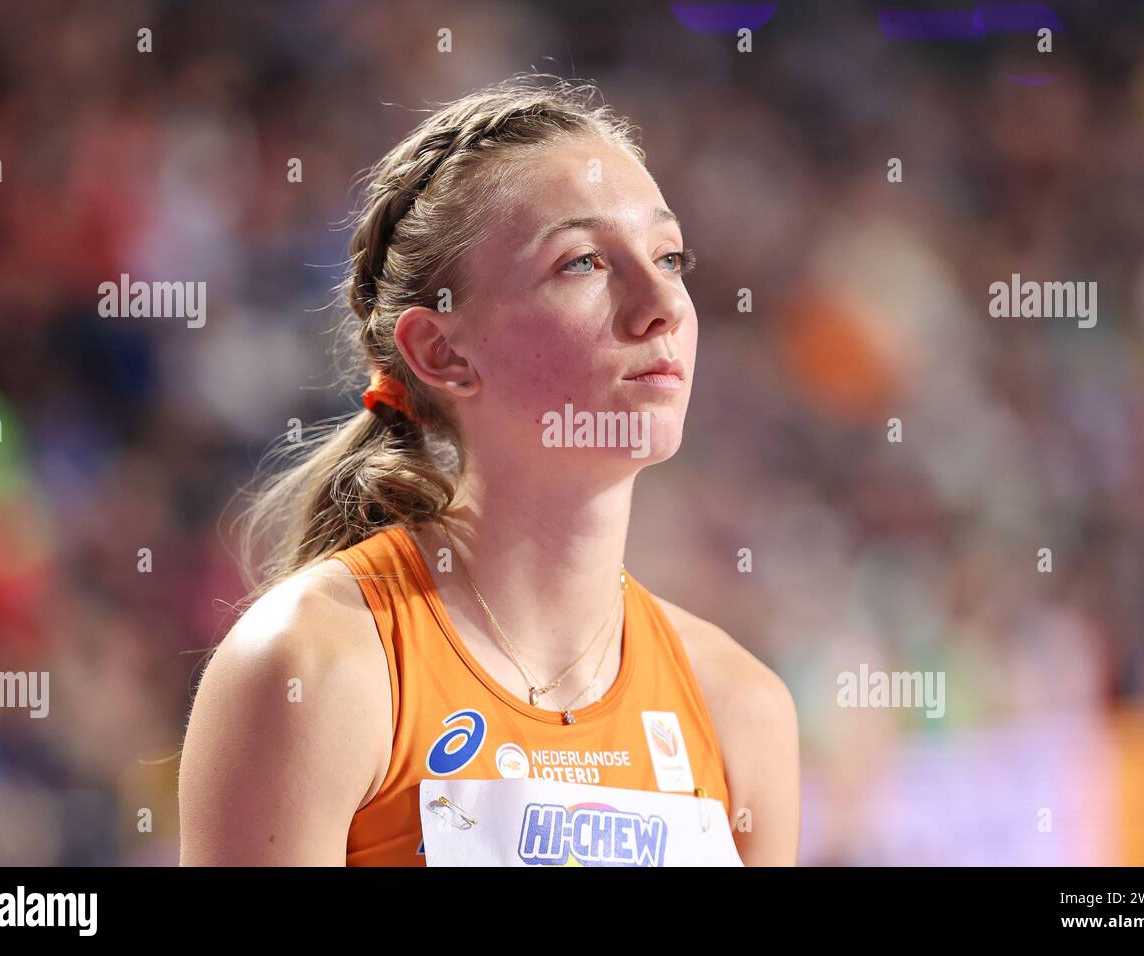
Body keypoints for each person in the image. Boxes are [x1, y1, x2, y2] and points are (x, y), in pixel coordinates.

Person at [178, 74, 800, 866]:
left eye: (669, 255)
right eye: (582, 263)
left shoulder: (741, 710)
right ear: (441, 351)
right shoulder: (312, 671)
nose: (663, 305)